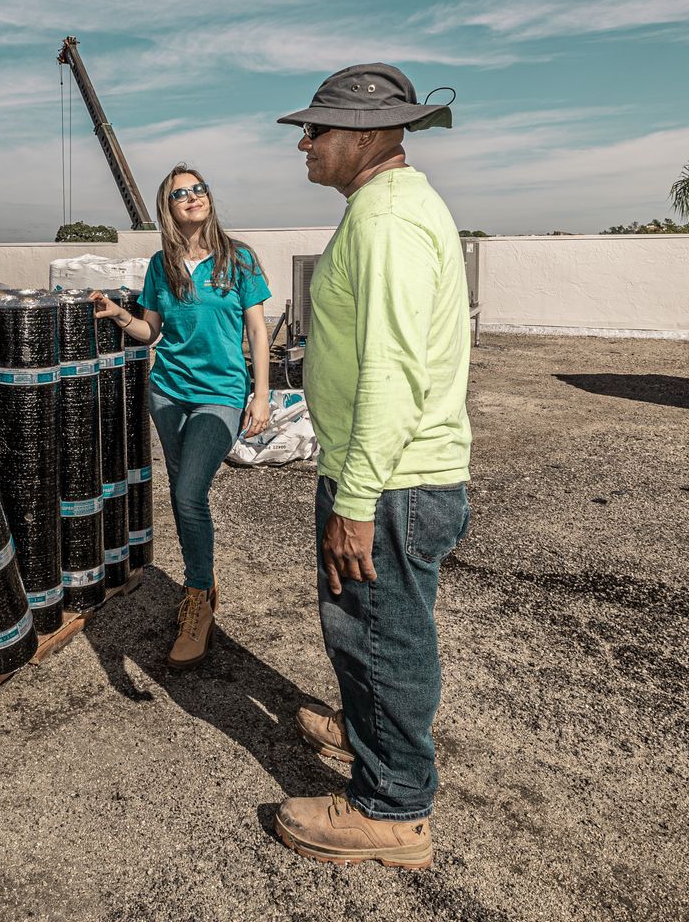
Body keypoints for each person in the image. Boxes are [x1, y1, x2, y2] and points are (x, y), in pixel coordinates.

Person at [270, 64, 471, 870]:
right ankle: (368, 732)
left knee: (381, 635)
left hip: (389, 480)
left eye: (315, 130)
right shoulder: (385, 208)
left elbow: (392, 370)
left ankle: (391, 809)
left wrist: (356, 498)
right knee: (376, 629)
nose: (306, 144)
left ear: (366, 136)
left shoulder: (385, 220)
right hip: (393, 473)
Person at [91, 164, 270, 670]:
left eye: (198, 189)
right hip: (167, 392)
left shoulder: (239, 259)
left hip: (221, 396)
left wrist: (261, 395)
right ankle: (203, 585)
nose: (192, 197)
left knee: (189, 494)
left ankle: (196, 599)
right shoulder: (160, 264)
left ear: (209, 198)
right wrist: (118, 315)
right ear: (167, 209)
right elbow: (151, 333)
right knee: (182, 495)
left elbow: (257, 332)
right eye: (179, 194)